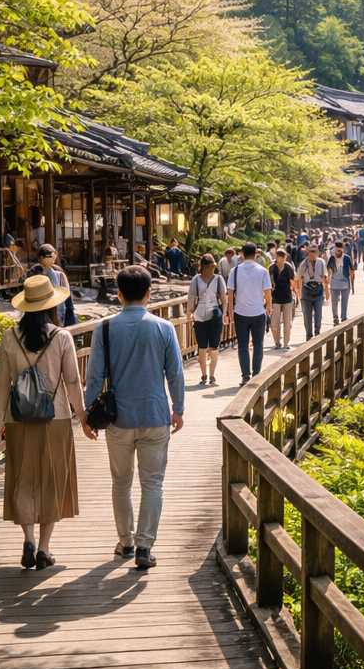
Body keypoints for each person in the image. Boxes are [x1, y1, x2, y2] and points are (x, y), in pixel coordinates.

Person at [83, 266, 185, 571]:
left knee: (121, 482)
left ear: (119, 294)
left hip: (118, 419)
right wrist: (178, 409)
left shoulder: (104, 329)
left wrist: (88, 414)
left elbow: (94, 377)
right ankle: (144, 547)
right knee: (152, 483)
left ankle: (125, 542)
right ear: (149, 293)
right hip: (155, 415)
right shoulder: (164, 327)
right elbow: (175, 374)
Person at [0, 275, 94, 571]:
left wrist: (0, 420)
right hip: (57, 417)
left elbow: (3, 383)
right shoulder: (62, 337)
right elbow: (73, 381)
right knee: (53, 479)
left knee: (23, 478)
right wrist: (83, 417)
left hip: (18, 417)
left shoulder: (9, 336)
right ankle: (44, 549)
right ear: (52, 305)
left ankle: (28, 539)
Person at [226, 243, 272, 383]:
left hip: (240, 312)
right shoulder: (262, 271)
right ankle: (256, 374)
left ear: (242, 254)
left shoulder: (234, 271)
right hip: (258, 311)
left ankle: (245, 375)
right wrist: (269, 307)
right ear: (256, 253)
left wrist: (230, 311)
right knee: (258, 344)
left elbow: (230, 293)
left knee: (242, 345)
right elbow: (267, 292)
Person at [188, 253, 228, 386]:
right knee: (207, 347)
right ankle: (208, 374)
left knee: (207, 347)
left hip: (205, 315)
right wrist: (224, 314)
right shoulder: (212, 279)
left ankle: (208, 375)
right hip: (207, 314)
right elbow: (224, 299)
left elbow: (191, 298)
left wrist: (190, 312)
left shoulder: (211, 279)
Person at [29, 244, 77, 325]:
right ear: (41, 258)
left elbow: (67, 294)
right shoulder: (34, 270)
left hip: (57, 306)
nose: (51, 259)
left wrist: (69, 312)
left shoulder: (59, 272)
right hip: (38, 306)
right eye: (47, 257)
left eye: (52, 257)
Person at [297, 243, 327, 340]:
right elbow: (298, 277)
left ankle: (317, 332)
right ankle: (308, 335)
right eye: (310, 251)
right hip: (306, 291)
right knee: (307, 315)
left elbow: (324, 276)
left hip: (318, 290)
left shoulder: (321, 262)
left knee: (318, 314)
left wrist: (327, 291)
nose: (311, 253)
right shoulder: (303, 263)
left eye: (314, 251)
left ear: (317, 252)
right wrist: (299, 293)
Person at [269, 246, 297, 349]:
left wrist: (294, 291)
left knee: (288, 323)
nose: (281, 257)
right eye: (279, 255)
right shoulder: (272, 268)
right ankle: (277, 342)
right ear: (276, 256)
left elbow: (292, 281)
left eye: (283, 255)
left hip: (287, 296)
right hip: (275, 297)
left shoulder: (288, 267)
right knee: (274, 323)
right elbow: (268, 281)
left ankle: (286, 343)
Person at [327, 240, 354, 326]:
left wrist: (351, 284)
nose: (338, 251)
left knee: (343, 302)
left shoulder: (346, 258)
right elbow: (329, 271)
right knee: (335, 302)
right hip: (335, 282)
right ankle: (337, 317)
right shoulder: (332, 258)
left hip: (344, 282)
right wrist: (328, 284)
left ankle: (342, 317)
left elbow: (351, 271)